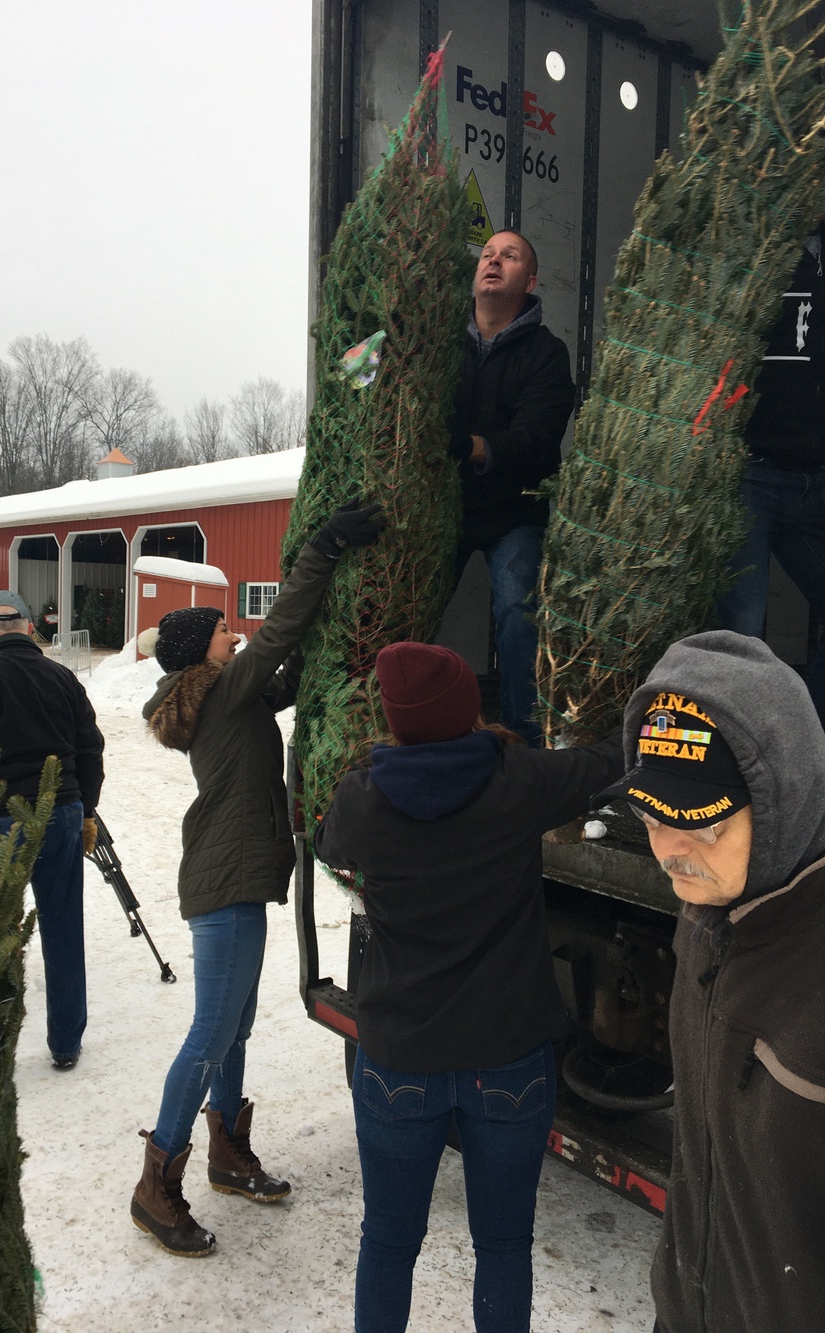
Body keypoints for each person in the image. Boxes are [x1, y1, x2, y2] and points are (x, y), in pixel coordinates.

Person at [313, 641, 624, 1333]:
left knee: (388, 1243)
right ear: (467, 710)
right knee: (505, 1244)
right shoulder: (517, 780)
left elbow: (329, 843)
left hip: (400, 1061)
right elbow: (606, 764)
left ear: (394, 719)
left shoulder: (362, 800)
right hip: (508, 1058)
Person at [131, 500, 385, 1258]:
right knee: (210, 1032)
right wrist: (326, 549)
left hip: (235, 879)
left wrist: (345, 631)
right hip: (226, 884)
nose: (233, 633)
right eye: (221, 631)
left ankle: (227, 1153)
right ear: (201, 655)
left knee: (233, 1028)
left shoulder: (224, 699)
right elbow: (279, 634)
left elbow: (291, 667)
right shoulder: (224, 692)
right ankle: (156, 1184)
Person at [594, 630, 825, 1333]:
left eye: (703, 823)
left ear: (785, 801)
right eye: (652, 814)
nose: (668, 849)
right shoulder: (702, 918)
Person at [0, 589, 105, 1071]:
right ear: (26, 627)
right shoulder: (61, 677)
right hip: (60, 810)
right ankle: (65, 1043)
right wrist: (86, 811)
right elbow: (89, 750)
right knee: (63, 926)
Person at [449, 230, 576, 744]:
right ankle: (395, 724)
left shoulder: (546, 353)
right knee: (409, 604)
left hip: (514, 512)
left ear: (531, 279)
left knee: (519, 611)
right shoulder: (438, 338)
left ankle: (524, 737)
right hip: (442, 508)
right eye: (486, 254)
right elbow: (358, 375)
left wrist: (467, 446)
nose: (494, 261)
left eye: (510, 255)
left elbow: (536, 443)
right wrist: (352, 357)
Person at [717, 221, 825, 728]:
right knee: (742, 628)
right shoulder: (765, 247)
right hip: (753, 473)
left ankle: (806, 740)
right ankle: (738, 757)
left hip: (816, 481)